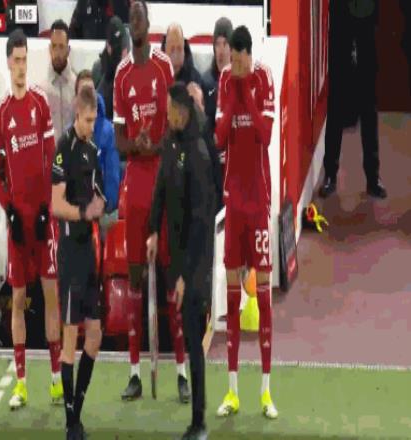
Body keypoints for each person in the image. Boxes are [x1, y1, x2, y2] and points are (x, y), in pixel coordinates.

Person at [113, 0, 190, 403]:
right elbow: (119, 141)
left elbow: (177, 128)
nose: (136, 22)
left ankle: (181, 372)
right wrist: (135, 145)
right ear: (129, 26)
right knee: (135, 280)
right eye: (132, 18)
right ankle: (134, 373)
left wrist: (156, 145)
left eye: (140, 16)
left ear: (148, 23)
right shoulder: (121, 75)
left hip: (164, 182)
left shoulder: (163, 68)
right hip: (137, 187)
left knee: (171, 277)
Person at [0, 29, 63, 409]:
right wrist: (10, 211)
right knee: (18, 298)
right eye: (15, 60)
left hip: (44, 220)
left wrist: (48, 206)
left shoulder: (40, 103)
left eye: (24, 60)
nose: (20, 67)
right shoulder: (2, 114)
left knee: (51, 294)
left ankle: (56, 379)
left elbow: (52, 159)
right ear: (8, 63)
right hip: (19, 224)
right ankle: (20, 383)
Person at [214, 25, 278, 420]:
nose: (234, 66)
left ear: (248, 55)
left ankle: (266, 392)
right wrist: (234, 93)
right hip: (234, 204)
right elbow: (220, 137)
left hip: (258, 204)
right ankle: (233, 390)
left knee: (265, 298)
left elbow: (265, 134)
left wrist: (247, 97)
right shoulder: (225, 81)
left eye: (239, 60)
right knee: (233, 299)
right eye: (231, 60)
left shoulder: (263, 78)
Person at [148, 82, 216, 440]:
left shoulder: (199, 153)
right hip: (176, 256)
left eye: (169, 110)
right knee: (188, 336)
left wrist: (186, 276)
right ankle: (197, 419)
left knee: (194, 342)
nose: (166, 114)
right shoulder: (171, 141)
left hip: (196, 261)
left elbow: (202, 223)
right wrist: (152, 231)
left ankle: (199, 421)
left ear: (182, 112)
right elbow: (160, 187)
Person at [51, 84, 105, 440]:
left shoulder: (92, 150)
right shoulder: (64, 149)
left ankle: (77, 410)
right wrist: (85, 212)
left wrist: (101, 204)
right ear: (77, 114)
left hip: (90, 254)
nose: (91, 125)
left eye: (94, 120)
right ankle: (71, 422)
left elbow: (96, 193)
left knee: (95, 335)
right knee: (70, 334)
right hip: (71, 253)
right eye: (87, 120)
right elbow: (56, 205)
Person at [319, 0, 386, 199]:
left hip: (367, 17)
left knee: (368, 104)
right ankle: (330, 173)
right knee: (337, 100)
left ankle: (373, 177)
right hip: (341, 18)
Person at [76, 70, 121, 221]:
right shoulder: (70, 135)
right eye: (83, 92)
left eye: (90, 91)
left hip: (104, 213)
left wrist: (105, 206)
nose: (87, 96)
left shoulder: (108, 132)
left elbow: (112, 174)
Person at [41, 19, 77, 142]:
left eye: (61, 47)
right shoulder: (41, 91)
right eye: (54, 46)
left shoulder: (77, 87)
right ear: (49, 49)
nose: (57, 52)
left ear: (68, 50)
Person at [91, 16, 129, 121]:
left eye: (123, 48)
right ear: (108, 46)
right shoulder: (98, 69)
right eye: (117, 48)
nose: (121, 53)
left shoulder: (131, 69)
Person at [202, 17, 233, 137]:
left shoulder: (241, 80)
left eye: (225, 44)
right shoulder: (206, 82)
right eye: (218, 44)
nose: (221, 50)